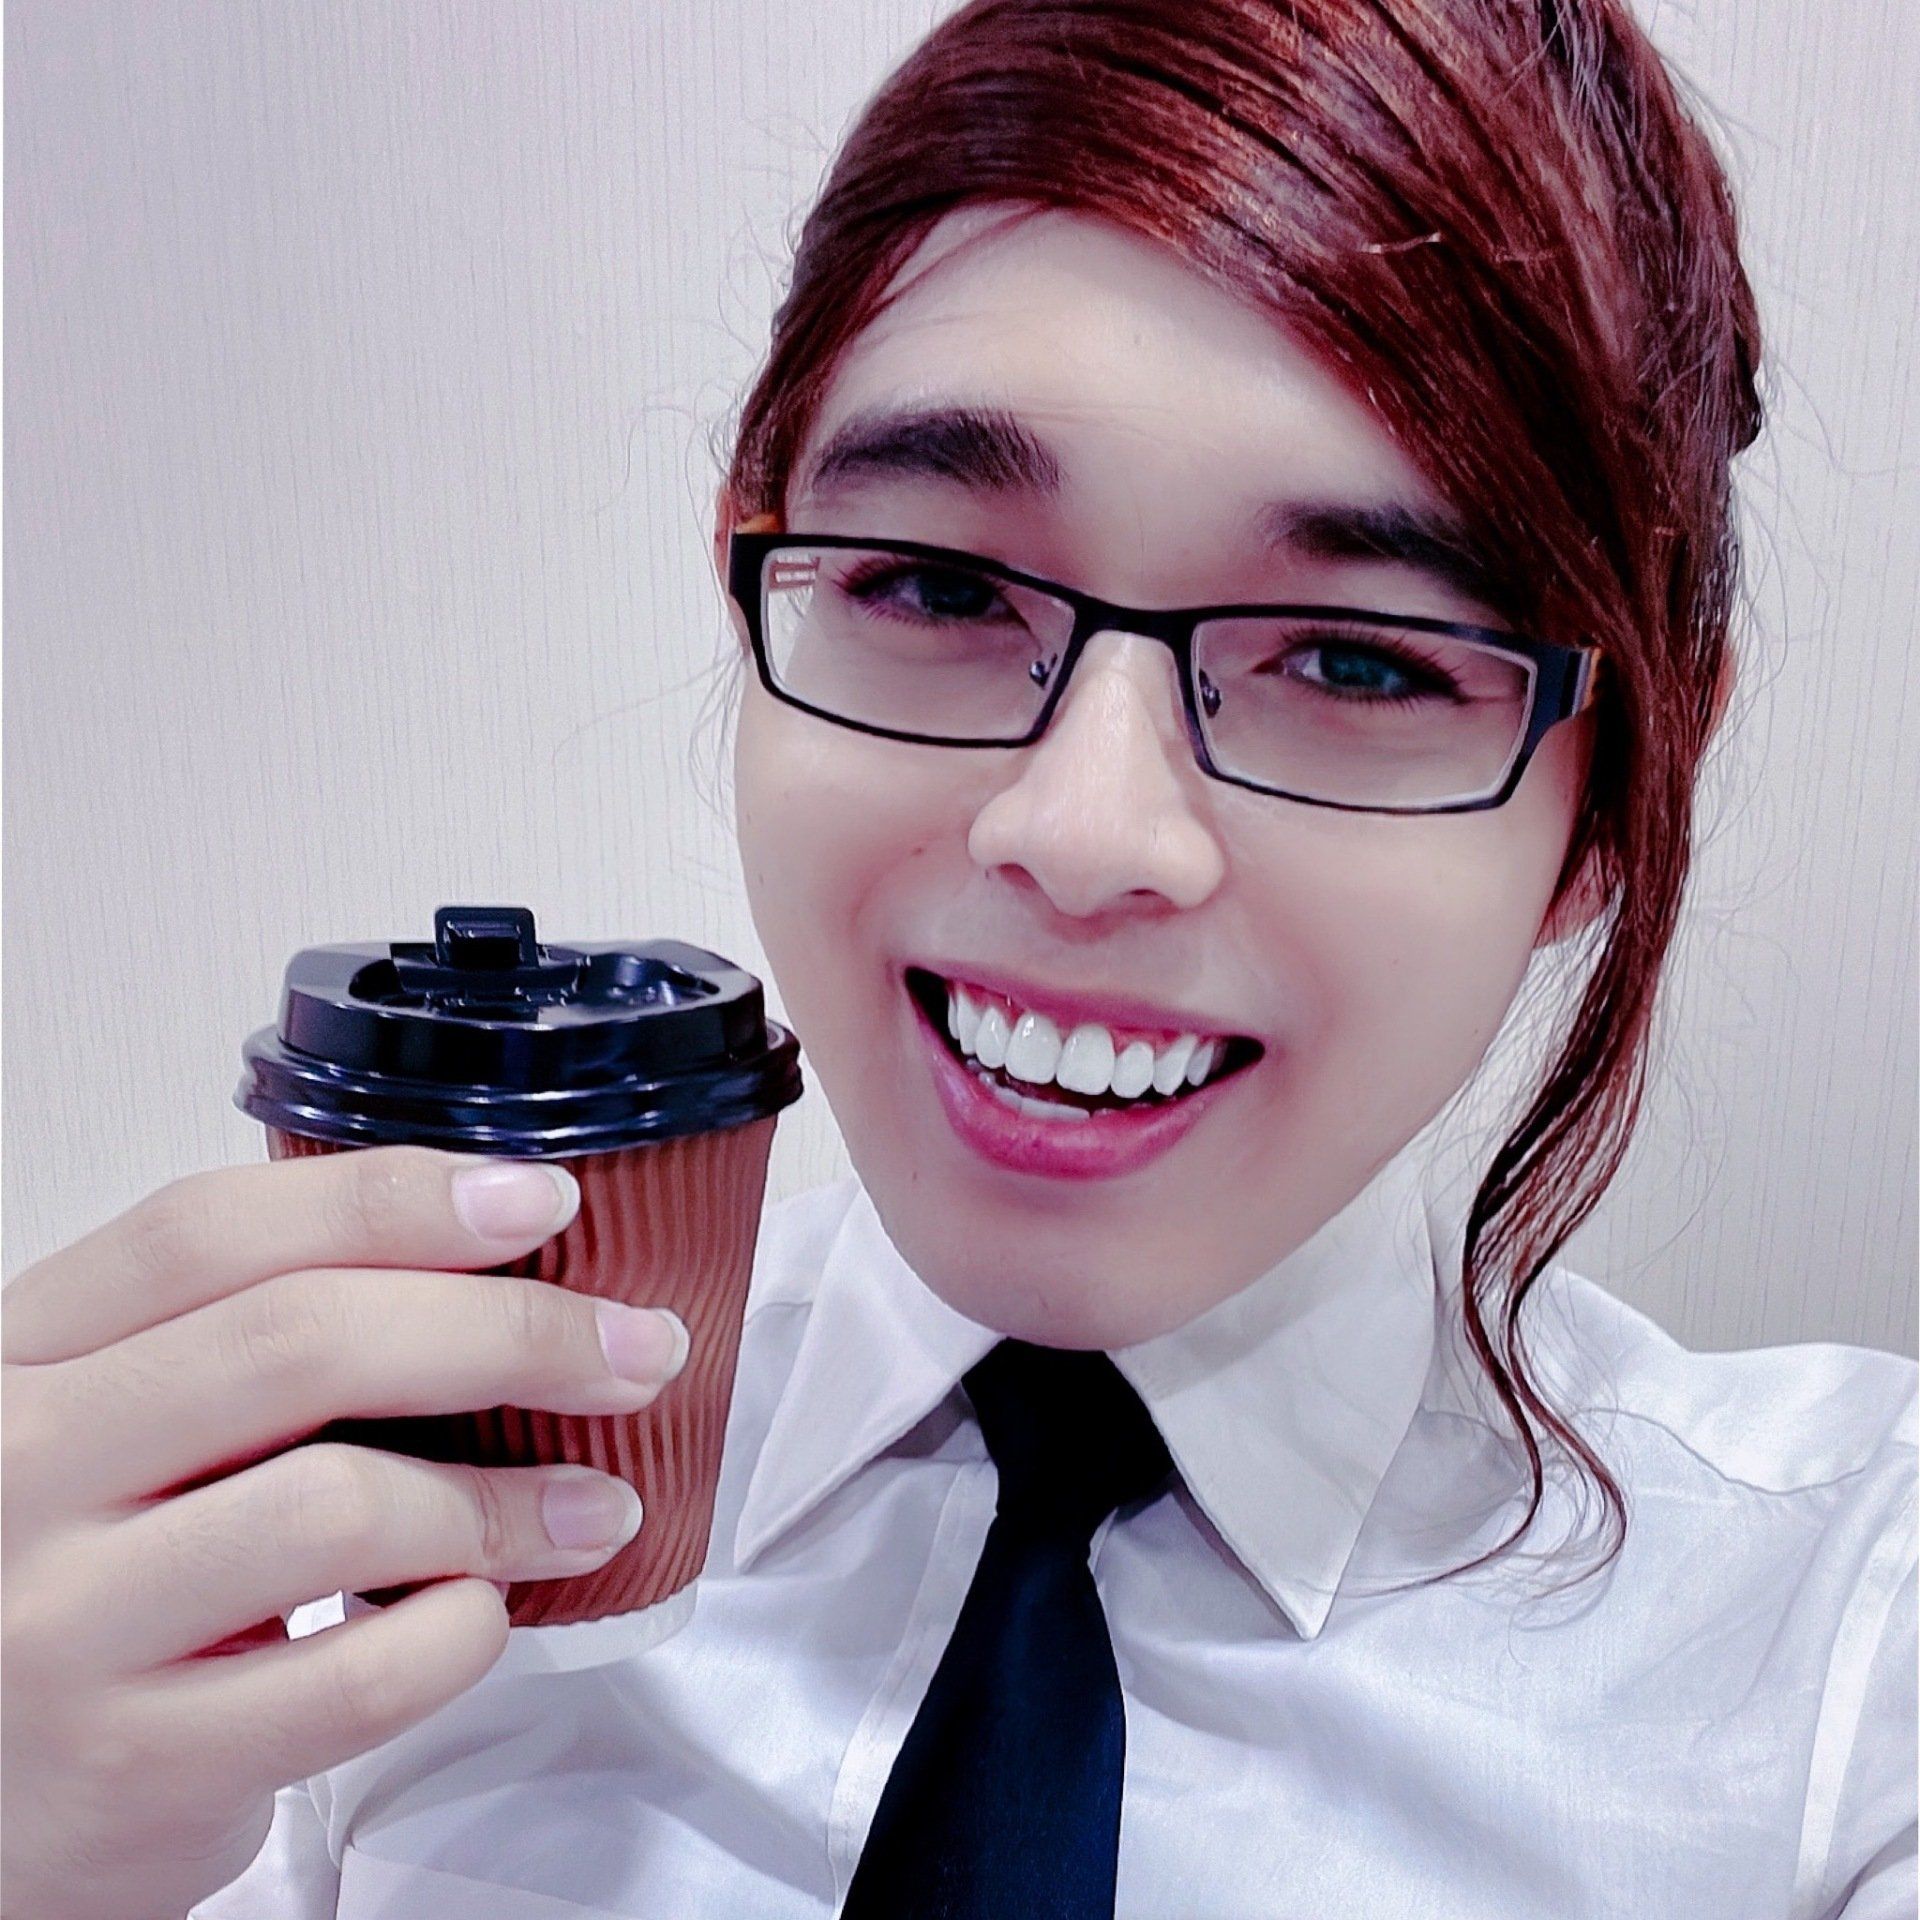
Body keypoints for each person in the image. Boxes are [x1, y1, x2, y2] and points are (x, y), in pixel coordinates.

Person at [4, 1, 1913, 1915]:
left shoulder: (1844, 1653)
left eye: (1358, 660)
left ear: (1615, 798)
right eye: (934, 583)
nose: (1083, 834)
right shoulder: (347, 1538)